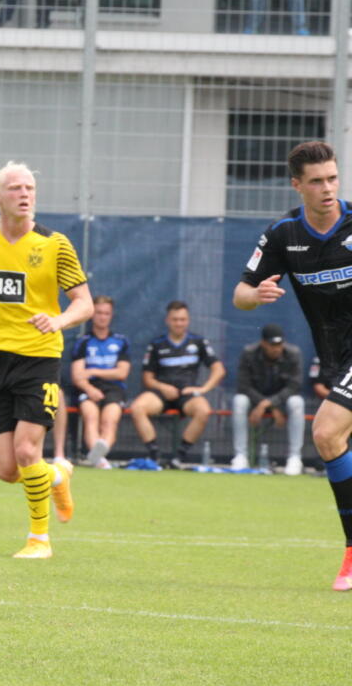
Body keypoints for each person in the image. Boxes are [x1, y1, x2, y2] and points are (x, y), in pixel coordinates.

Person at [0, 160, 91, 559]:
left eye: (29, 188)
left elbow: (83, 302)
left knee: (28, 451)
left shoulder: (55, 244)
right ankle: (57, 475)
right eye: (16, 188)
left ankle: (39, 539)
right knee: (7, 470)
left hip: (39, 357)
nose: (25, 194)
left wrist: (59, 320)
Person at [233, 140, 352, 588]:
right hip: (336, 357)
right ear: (297, 185)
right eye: (317, 181)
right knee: (333, 443)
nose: (328, 188)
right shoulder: (283, 234)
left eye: (333, 178)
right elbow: (240, 295)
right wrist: (256, 293)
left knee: (326, 431)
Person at [128, 301, 225, 470]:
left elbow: (219, 370)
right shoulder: (157, 344)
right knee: (137, 408)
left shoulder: (199, 342)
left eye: (182, 319)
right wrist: (162, 387)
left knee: (203, 410)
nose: (179, 323)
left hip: (187, 394)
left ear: (188, 320)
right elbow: (147, 378)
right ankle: (155, 456)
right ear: (167, 320)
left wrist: (203, 389)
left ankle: (179, 457)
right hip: (161, 393)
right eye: (175, 319)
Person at [230, 323, 304, 474]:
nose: (277, 348)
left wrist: (270, 404)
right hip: (255, 401)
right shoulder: (249, 353)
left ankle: (295, 457)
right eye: (272, 345)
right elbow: (243, 386)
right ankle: (240, 455)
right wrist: (264, 403)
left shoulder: (293, 353)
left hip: (280, 402)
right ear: (263, 343)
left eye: (279, 344)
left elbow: (294, 386)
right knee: (239, 401)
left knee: (297, 402)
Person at [71, 295, 130, 469]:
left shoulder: (121, 341)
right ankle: (100, 460)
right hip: (88, 388)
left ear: (111, 315)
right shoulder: (83, 342)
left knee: (109, 420)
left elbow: (122, 373)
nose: (102, 317)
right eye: (99, 313)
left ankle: (99, 455)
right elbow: (77, 375)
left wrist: (93, 371)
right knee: (91, 416)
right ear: (92, 315)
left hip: (114, 388)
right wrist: (89, 389)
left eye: (106, 313)